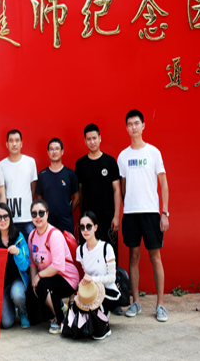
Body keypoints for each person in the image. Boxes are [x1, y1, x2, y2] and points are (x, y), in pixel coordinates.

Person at [117, 109, 170, 322]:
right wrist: (126, 206)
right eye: (130, 124)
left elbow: (164, 183)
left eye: (136, 123)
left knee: (155, 257)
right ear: (127, 128)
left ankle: (160, 305)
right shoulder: (123, 156)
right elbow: (122, 187)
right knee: (133, 257)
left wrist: (164, 213)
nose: (133, 127)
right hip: (131, 213)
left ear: (143, 125)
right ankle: (136, 302)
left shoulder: (153, 152)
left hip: (151, 212)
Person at [63, 211, 121, 340]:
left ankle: (104, 326)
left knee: (94, 317)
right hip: (91, 291)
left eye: (88, 226)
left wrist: (93, 280)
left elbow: (112, 278)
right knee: (77, 309)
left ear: (95, 227)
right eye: (82, 227)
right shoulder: (80, 250)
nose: (85, 230)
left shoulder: (106, 248)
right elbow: (85, 274)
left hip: (109, 291)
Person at [27, 199, 79, 335]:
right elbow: (32, 263)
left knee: (43, 285)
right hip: (48, 277)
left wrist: (39, 276)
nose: (38, 217)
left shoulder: (54, 235)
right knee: (33, 315)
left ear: (47, 214)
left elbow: (57, 266)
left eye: (41, 213)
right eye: (34, 214)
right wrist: (33, 282)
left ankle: (60, 319)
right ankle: (59, 306)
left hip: (67, 278)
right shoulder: (32, 236)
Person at [74, 124, 121, 255]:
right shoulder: (80, 164)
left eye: (94, 138)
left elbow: (117, 190)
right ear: (85, 141)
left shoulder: (110, 162)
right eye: (89, 139)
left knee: (109, 255)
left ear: (100, 138)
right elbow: (79, 192)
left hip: (108, 219)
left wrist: (116, 216)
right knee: (89, 255)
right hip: (88, 221)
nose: (92, 142)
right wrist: (83, 215)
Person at [0, 203, 31, 329]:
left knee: (17, 294)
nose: (2, 220)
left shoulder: (19, 237)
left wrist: (18, 253)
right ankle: (11, 308)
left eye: (5, 216)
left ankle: (22, 311)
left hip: (17, 280)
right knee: (6, 323)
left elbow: (25, 265)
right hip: (2, 284)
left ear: (10, 217)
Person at [0, 129, 38, 242]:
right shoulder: (1, 165)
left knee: (30, 248)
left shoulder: (30, 162)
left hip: (27, 217)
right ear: (7, 144)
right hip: (9, 219)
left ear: (21, 143)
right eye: (11, 141)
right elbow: (1, 192)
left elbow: (33, 187)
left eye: (17, 140)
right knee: (10, 249)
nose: (14, 144)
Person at [35, 138, 79, 234]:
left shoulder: (70, 174)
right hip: (47, 223)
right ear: (48, 152)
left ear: (62, 151)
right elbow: (39, 198)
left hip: (66, 222)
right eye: (51, 149)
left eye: (57, 149)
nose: (54, 152)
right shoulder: (42, 175)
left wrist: (68, 211)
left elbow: (77, 197)